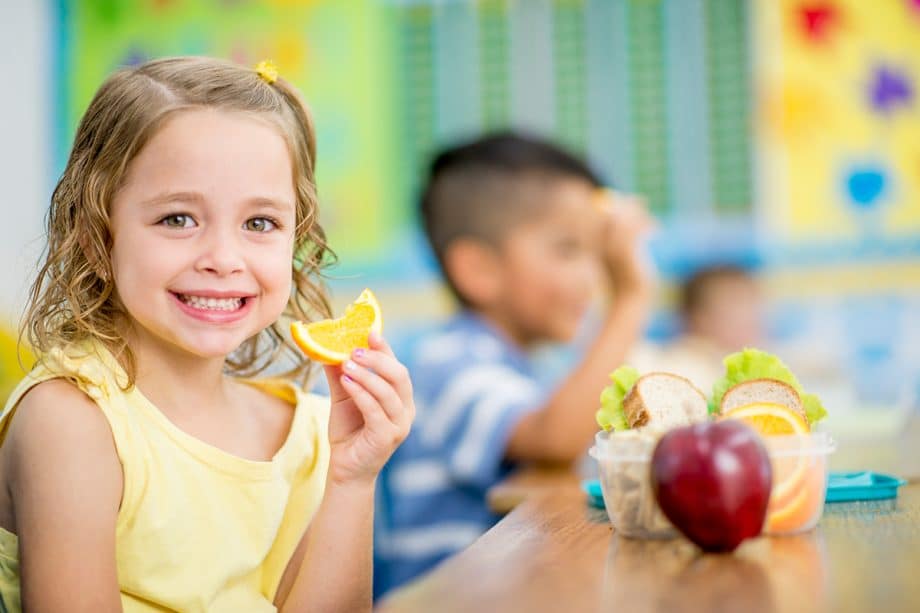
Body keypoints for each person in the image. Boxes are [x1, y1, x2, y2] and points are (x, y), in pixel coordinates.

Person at [0, 57, 415, 612]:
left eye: (259, 223)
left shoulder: (306, 433)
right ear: (98, 234)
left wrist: (352, 477)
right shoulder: (72, 422)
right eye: (178, 219)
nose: (223, 259)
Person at [374, 132, 654, 596]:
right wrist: (631, 297)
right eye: (568, 250)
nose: (592, 276)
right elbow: (555, 439)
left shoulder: (519, 366)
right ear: (478, 270)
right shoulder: (446, 362)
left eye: (597, 254)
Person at [629, 264, 764, 393]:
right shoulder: (668, 367)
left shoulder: (761, 365)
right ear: (697, 317)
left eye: (752, 306)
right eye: (735, 306)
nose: (748, 318)